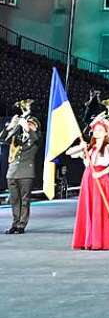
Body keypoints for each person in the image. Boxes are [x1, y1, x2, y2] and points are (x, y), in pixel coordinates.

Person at [67, 117, 109, 250]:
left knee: (99, 209)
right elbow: (69, 153)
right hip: (88, 179)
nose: (97, 132)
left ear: (106, 133)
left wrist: (101, 173)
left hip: (101, 179)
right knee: (88, 208)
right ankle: (87, 239)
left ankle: (99, 240)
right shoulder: (89, 148)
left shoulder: (108, 147)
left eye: (100, 130)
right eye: (95, 130)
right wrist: (80, 147)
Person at [4, 100, 40, 234]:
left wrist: (26, 127)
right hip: (12, 172)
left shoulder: (34, 138)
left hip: (26, 172)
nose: (29, 125)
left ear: (35, 127)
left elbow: (32, 140)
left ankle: (21, 224)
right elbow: (4, 139)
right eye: (28, 123)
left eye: (31, 124)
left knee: (24, 200)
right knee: (14, 200)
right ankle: (15, 222)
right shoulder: (17, 138)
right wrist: (11, 126)